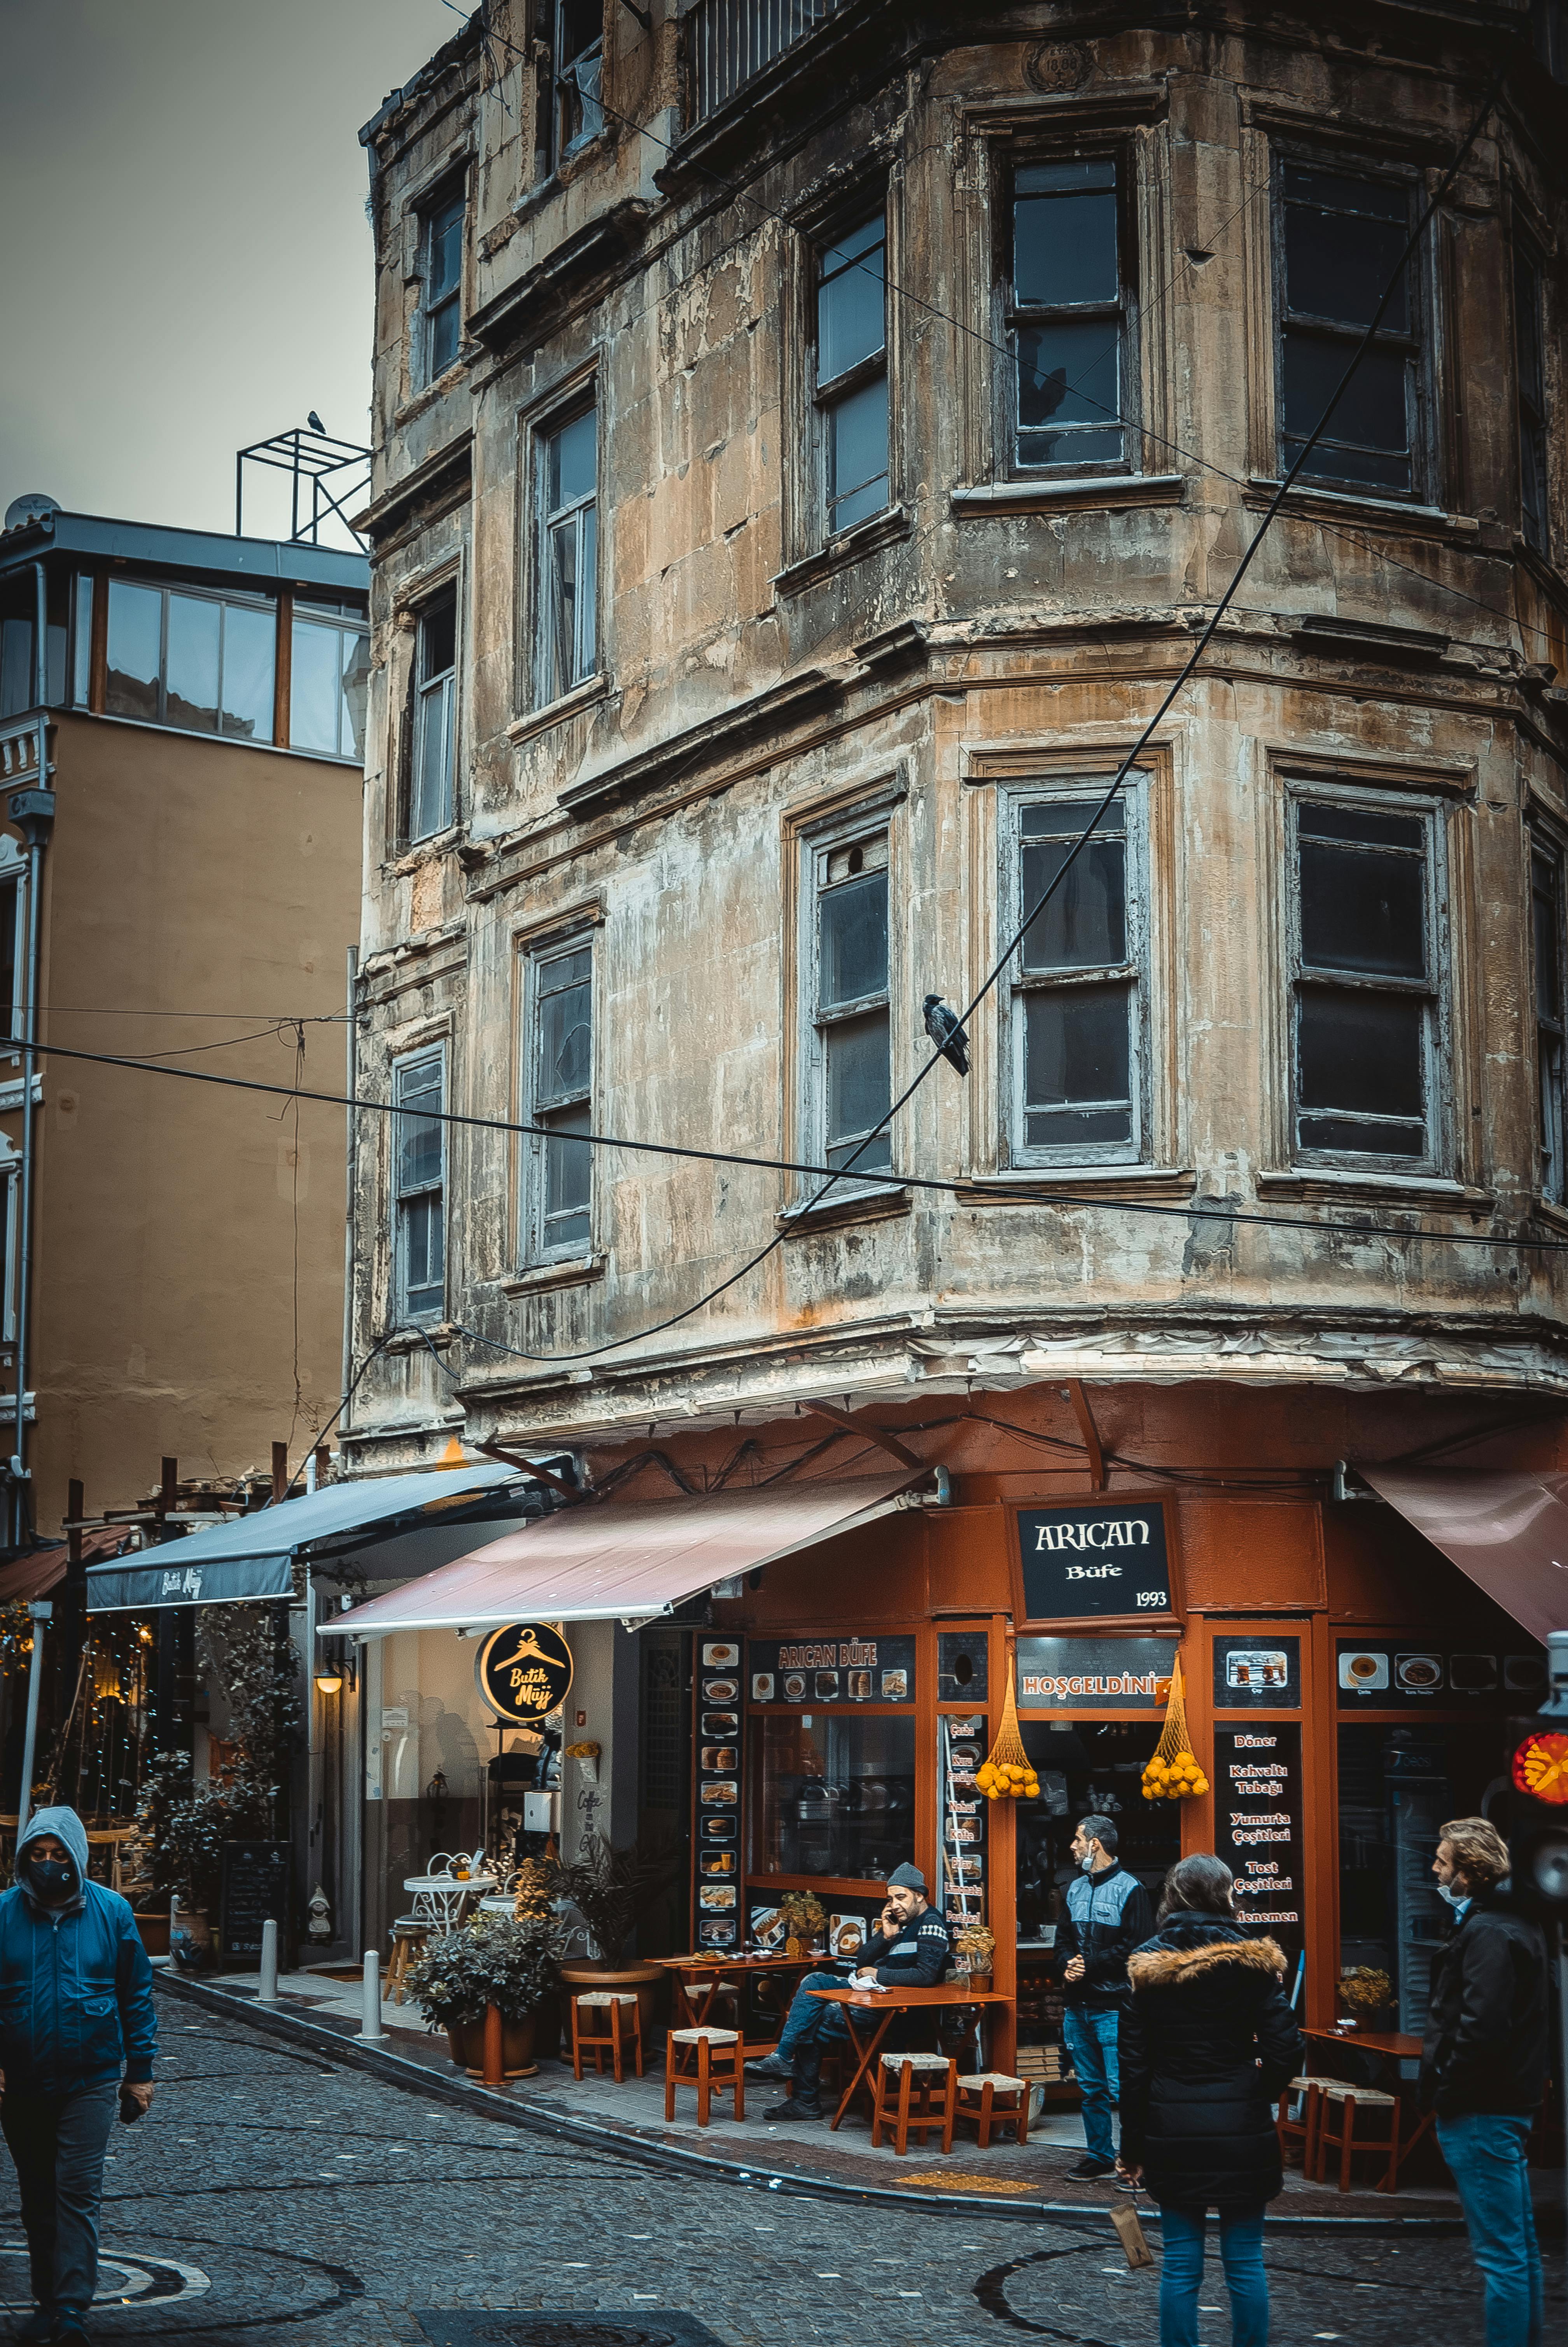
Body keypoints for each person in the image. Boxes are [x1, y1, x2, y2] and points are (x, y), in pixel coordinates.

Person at [1116, 1853, 1301, 2347]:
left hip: (1172, 2127)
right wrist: (1254, 2093)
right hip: (1242, 2125)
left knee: (1180, 2262)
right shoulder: (1253, 1962)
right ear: (1226, 1894)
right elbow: (1287, 2048)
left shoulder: (1146, 1965)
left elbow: (1133, 2069)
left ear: (1172, 1895)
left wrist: (1132, 2148)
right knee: (1246, 2259)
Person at [0, 1806, 158, 2342]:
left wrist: (140, 2071)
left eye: (58, 1853)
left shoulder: (112, 1911)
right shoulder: (4, 1913)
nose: (48, 1863)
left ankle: (71, 2311)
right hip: (22, 2082)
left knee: (77, 2190)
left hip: (90, 2079)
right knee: (37, 2196)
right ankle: (47, 2301)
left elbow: (136, 1992)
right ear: (25, 1857)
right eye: (38, 1853)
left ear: (77, 1856)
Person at [1422, 1817, 1547, 2347]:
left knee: (1501, 2253)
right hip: (1504, 2102)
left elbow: (1482, 2026)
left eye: (1443, 1861)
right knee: (1518, 2247)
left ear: (1469, 1873)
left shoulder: (1489, 1931)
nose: (1435, 1869)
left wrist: (1449, 2093)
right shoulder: (1515, 1923)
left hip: (1482, 2108)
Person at [751, 1862, 952, 2123]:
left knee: (812, 2019)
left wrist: (878, 1974)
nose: (895, 1905)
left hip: (897, 2010)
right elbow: (862, 1961)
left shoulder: (931, 1923)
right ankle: (783, 2059)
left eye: (901, 1897)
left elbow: (926, 1975)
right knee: (814, 1981)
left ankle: (804, 2098)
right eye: (891, 1899)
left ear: (920, 1895)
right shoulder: (899, 1923)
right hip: (874, 1995)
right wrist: (886, 1936)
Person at [1055, 1813, 1153, 2179]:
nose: (1073, 1846)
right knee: (1090, 2088)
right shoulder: (1075, 1888)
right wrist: (1067, 1964)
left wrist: (1089, 1965)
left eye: (1078, 1839)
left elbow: (1139, 1948)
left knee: (1123, 2088)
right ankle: (1099, 2155)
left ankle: (1134, 2159)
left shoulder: (1131, 1889)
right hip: (1078, 2006)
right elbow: (1063, 1940)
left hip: (1115, 2007)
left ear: (1095, 1844)